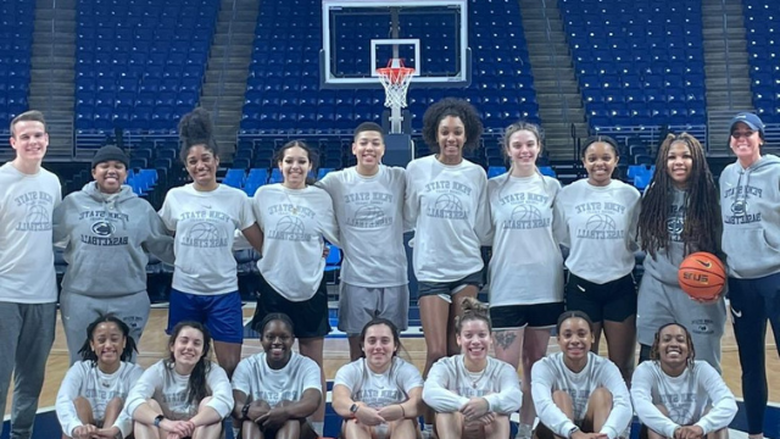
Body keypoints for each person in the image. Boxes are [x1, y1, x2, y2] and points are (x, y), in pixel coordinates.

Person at [404, 97, 490, 435]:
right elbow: (410, 215)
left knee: (460, 349)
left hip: (467, 266)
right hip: (431, 270)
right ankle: (428, 425)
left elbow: (482, 225)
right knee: (438, 351)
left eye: (457, 132)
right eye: (445, 132)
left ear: (466, 135)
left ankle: (457, 423)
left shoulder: (476, 174)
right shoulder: (417, 169)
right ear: (434, 134)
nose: (451, 138)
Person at [158, 107, 264, 378]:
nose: (200, 165)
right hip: (185, 291)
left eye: (205, 158)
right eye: (193, 161)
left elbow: (260, 242)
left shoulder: (236, 198)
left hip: (224, 292)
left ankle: (229, 418)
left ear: (217, 160)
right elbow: (164, 234)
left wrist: (306, 251)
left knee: (230, 367)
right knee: (184, 366)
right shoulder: (175, 197)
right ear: (186, 166)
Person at [53, 144, 175, 364]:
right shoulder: (72, 203)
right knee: (81, 364)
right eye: (104, 166)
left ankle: (123, 400)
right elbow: (46, 236)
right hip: (81, 297)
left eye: (118, 166)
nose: (111, 170)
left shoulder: (141, 208)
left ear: (126, 173)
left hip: (129, 298)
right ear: (93, 172)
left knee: (126, 365)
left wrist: (199, 252)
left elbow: (164, 247)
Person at [250, 140, 339, 436]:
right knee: (273, 362)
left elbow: (334, 235)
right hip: (274, 286)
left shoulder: (320, 198)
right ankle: (268, 423)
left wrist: (321, 251)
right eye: (289, 161)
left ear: (310, 166)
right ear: (279, 165)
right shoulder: (263, 195)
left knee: (313, 366)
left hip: (311, 287)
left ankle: (316, 430)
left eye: (301, 161)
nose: (295, 167)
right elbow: (253, 232)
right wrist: (272, 253)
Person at [487, 121, 564, 439]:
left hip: (545, 284)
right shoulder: (494, 187)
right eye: (517, 145)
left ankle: (528, 431)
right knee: (505, 370)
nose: (524, 150)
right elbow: (482, 232)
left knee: (536, 365)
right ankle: (502, 430)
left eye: (529, 144)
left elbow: (561, 233)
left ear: (538, 147)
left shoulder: (552, 187)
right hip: (506, 286)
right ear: (507, 150)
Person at [316, 122, 409, 361]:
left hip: (394, 276)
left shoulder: (399, 177)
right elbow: (306, 199)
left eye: (375, 143)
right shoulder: (336, 180)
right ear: (354, 148)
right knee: (357, 350)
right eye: (364, 143)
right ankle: (357, 396)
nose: (370, 148)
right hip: (356, 277)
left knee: (391, 348)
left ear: (383, 149)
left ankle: (389, 395)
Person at [554, 135, 641, 381]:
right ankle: (585, 419)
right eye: (592, 159)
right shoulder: (568, 194)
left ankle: (622, 419)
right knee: (580, 365)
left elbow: (636, 239)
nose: (599, 164)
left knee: (622, 366)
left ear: (616, 161)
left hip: (620, 285)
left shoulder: (630, 195)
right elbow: (563, 236)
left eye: (605, 158)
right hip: (581, 286)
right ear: (584, 161)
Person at [636, 133, 725, 371]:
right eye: (672, 157)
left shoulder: (712, 197)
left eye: (686, 156)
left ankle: (706, 408)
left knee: (704, 363)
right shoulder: (652, 195)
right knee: (650, 358)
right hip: (657, 287)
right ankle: (651, 409)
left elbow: (724, 246)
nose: (679, 162)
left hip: (699, 289)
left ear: (697, 160)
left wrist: (719, 285)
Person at [0, 110, 62, 439]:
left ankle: (21, 436)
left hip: (43, 294)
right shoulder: (1, 180)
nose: (33, 141)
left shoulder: (52, 182)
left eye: (38, 135)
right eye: (25, 136)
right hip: (4, 294)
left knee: (32, 378)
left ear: (47, 140)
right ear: (13, 142)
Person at [719, 111, 780, 439]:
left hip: (776, 275)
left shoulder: (777, 171)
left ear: (761, 138)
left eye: (748, 133)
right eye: (736, 134)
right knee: (751, 363)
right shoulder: (726, 175)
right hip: (740, 281)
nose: (742, 138)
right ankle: (756, 433)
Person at [422, 297, 522, 439]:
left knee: (499, 414)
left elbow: (515, 398)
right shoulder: (444, 365)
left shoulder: (503, 369)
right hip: (456, 427)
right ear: (458, 339)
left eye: (482, 335)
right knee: (447, 412)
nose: (475, 341)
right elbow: (429, 392)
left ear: (491, 338)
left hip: (487, 428)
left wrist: (487, 403)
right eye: (468, 335)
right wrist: (467, 406)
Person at [531, 311, 633, 439]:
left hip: (592, 431)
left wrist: (607, 434)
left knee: (602, 395)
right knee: (559, 397)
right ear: (558, 339)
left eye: (581, 334)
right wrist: (573, 432)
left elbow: (624, 405)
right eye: (567, 335)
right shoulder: (544, 366)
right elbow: (543, 406)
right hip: (553, 432)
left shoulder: (606, 367)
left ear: (592, 337)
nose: (575, 341)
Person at [126, 321, 233, 439]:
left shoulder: (212, 371)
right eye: (184, 341)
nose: (189, 347)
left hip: (197, 432)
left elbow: (225, 401)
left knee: (209, 405)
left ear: (203, 351)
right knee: (147, 407)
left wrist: (190, 425)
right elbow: (132, 401)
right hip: (166, 432)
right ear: (172, 346)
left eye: (196, 343)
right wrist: (165, 423)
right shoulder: (158, 370)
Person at [631, 323, 737, 439]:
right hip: (665, 432)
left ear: (689, 348)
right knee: (658, 410)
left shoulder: (702, 369)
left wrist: (701, 427)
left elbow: (729, 403)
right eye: (666, 339)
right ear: (657, 347)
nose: (673, 344)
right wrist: (674, 430)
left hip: (696, 434)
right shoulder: (646, 370)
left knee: (715, 419)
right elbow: (641, 405)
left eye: (680, 340)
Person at [232, 313, 321, 439]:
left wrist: (284, 412)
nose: (277, 342)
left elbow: (312, 401)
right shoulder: (247, 365)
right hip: (257, 427)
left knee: (288, 412)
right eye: (270, 337)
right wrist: (247, 410)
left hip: (297, 431)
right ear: (261, 339)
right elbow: (235, 402)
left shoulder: (307, 365)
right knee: (257, 407)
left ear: (292, 339)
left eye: (284, 337)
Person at [55, 315, 144, 439]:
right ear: (92, 344)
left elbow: (137, 406)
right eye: (101, 340)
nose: (108, 345)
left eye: (114, 339)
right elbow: (63, 400)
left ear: (123, 342)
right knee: (79, 403)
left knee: (117, 404)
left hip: (116, 433)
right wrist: (76, 428)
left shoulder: (134, 373)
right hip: (85, 431)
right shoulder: (80, 369)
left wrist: (114, 429)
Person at [333, 318, 423, 439]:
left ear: (395, 345)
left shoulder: (407, 370)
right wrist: (357, 409)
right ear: (363, 346)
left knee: (406, 421)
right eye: (372, 341)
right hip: (363, 427)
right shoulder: (350, 370)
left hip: (397, 426)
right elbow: (338, 400)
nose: (378, 347)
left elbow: (420, 401)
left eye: (385, 341)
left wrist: (400, 409)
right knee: (354, 421)